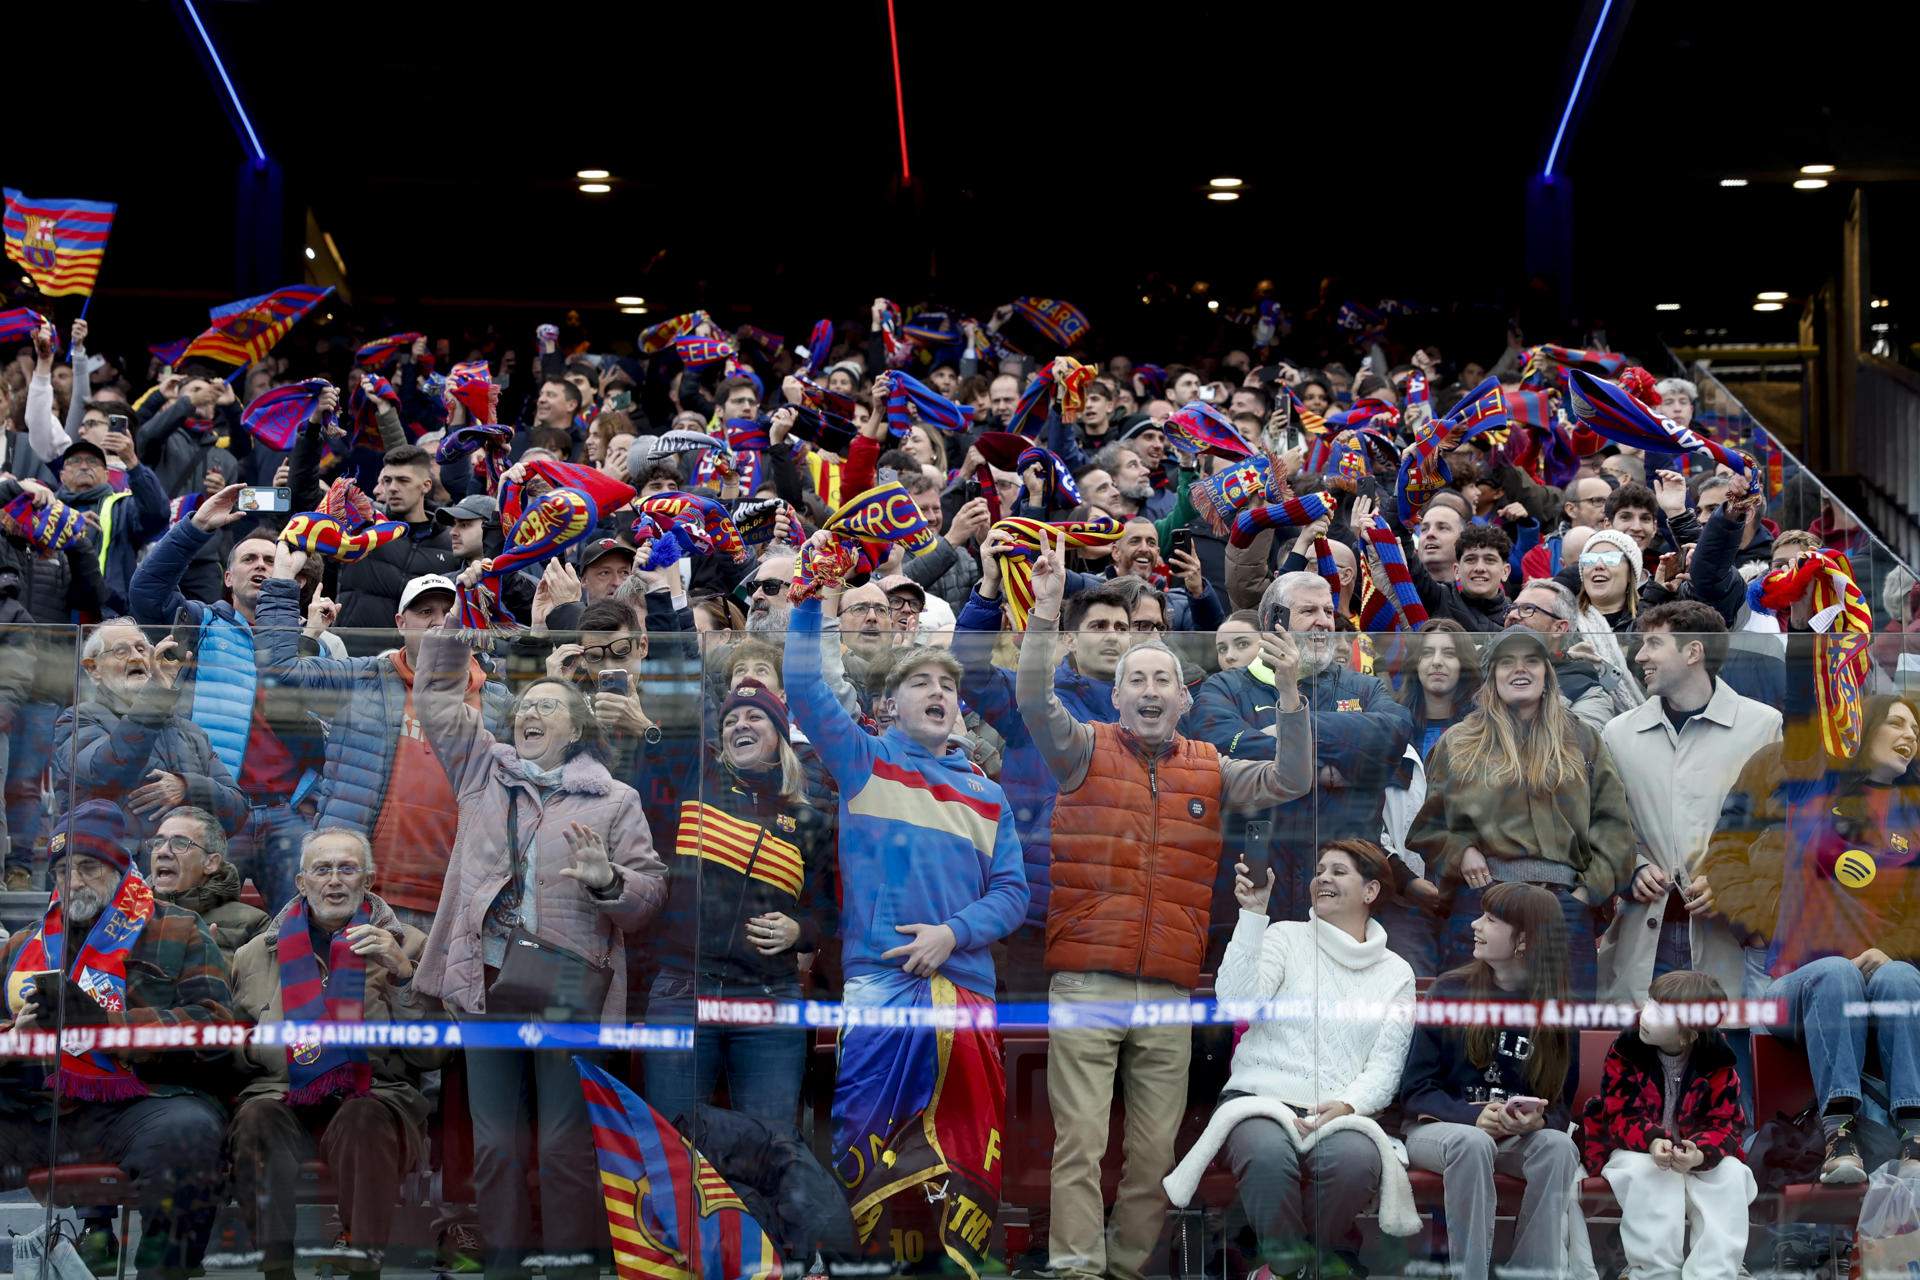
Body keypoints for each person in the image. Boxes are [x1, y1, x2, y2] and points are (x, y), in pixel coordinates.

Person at [1015, 527, 1314, 1280]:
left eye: (1163, 682)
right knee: (1080, 1144)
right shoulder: (1081, 748)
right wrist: (1046, 610)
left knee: (1155, 1154)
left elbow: (1292, 780)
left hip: (1171, 988)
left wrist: (1289, 694)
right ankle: (1078, 1270)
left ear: (1186, 698)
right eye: (1137, 681)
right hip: (1086, 980)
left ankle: (1122, 1270)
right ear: (1116, 696)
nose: (1149, 692)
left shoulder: (1211, 766)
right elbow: (1028, 696)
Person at [783, 537, 1027, 1272]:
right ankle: (871, 1264)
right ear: (892, 703)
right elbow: (803, 689)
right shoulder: (865, 760)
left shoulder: (990, 795)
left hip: (965, 990)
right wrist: (806, 604)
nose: (937, 693)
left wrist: (952, 935)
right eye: (920, 682)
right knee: (868, 1135)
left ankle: (956, 1267)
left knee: (964, 1150)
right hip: (882, 985)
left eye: (946, 686)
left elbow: (1014, 894)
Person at [411, 596, 666, 1280]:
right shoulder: (481, 767)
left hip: (567, 991)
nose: (528, 713)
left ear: (575, 725)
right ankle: (502, 1266)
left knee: (562, 1145)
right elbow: (435, 695)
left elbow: (646, 899)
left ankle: (571, 1266)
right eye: (525, 704)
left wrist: (607, 878)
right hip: (485, 981)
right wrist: (459, 623)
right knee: (494, 1145)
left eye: (547, 706)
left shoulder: (614, 800)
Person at [0, 801, 233, 1280]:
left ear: (120, 867)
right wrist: (13, 1037)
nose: (74, 881)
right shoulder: (24, 943)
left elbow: (214, 1028)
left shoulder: (178, 928)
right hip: (38, 1107)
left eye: (88, 867)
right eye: (62, 870)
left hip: (142, 1103)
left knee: (189, 1134)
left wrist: (112, 1027)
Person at [227, 827, 441, 1280]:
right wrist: (258, 1045)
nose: (335, 881)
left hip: (376, 1089)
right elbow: (231, 1046)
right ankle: (276, 1270)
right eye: (322, 870)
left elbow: (435, 1056)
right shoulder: (254, 953)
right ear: (302, 884)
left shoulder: (410, 945)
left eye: (348, 869)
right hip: (280, 1088)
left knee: (362, 1119)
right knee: (256, 1120)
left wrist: (403, 977)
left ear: (369, 880)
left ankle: (364, 1267)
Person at [258, 548, 510, 927]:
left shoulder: (498, 703)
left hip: (456, 900)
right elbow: (281, 670)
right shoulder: (363, 678)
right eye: (425, 612)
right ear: (399, 622)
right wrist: (279, 589)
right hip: (357, 890)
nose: (438, 623)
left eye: (448, 613)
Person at [1202, 840, 1416, 1278]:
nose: (1323, 878)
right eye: (1320, 870)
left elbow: (1385, 1065)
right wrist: (1253, 916)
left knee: (1355, 1163)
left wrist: (1349, 1105)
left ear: (1371, 891)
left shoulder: (1397, 973)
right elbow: (1237, 1005)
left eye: (1339, 872)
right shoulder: (1283, 936)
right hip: (1259, 1097)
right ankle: (1290, 1270)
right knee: (1265, 1155)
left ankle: (1285, 1274)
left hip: (1337, 1110)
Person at [642, 679, 836, 1133]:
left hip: (768, 996)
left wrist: (799, 932)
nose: (739, 725)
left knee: (772, 1148)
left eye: (754, 717)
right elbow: (679, 686)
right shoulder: (698, 778)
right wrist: (665, 603)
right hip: (682, 990)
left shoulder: (809, 820)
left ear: (780, 736)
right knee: (672, 1143)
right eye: (730, 720)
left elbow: (826, 915)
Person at [1409, 626, 1635, 996]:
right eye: (1507, 662)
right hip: (1481, 904)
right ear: (1491, 675)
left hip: (1562, 905)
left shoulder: (1582, 740)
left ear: (1547, 673)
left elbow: (1614, 829)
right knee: (1473, 1034)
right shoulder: (1459, 741)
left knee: (1561, 1036)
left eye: (1532, 661)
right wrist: (1460, 850)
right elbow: (1428, 828)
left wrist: (1583, 896)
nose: (1520, 670)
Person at [129, 485, 323, 915]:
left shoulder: (317, 644)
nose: (260, 565)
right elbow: (146, 591)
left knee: (299, 935)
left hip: (288, 814)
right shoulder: (200, 625)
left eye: (271, 560)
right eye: (248, 559)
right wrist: (197, 527)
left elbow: (340, 734)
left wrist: (316, 794)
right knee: (193, 927)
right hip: (214, 811)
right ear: (228, 578)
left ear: (290, 577)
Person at [1752, 694, 1920, 1184]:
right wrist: (1817, 623)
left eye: (1916, 728)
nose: (1910, 734)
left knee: (1901, 975)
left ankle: (1914, 1132)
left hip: (1879, 991)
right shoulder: (1816, 793)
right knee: (1837, 971)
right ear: (1860, 728)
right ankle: (1839, 1135)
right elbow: (1810, 701)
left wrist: (1893, 949)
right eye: (1895, 723)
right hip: (1797, 988)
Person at [1186, 570, 1414, 925]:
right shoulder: (1224, 687)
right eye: (1309, 612)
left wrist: (1294, 729)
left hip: (1343, 892)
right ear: (1271, 623)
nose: (1323, 622)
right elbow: (1217, 747)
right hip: (1254, 890)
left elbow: (1394, 734)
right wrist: (1337, 764)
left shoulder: (1363, 688)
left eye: (1327, 611)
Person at [1598, 601, 1781, 1003]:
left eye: (1653, 644)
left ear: (1693, 651)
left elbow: (1778, 831)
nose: (1640, 655)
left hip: (1730, 936)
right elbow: (1605, 823)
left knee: (1726, 1057)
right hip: (1645, 932)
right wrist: (1633, 864)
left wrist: (1732, 882)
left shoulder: (1764, 726)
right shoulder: (1618, 733)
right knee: (1641, 1055)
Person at [1398, 883, 1582, 1280]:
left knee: (1558, 1147)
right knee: (1473, 1142)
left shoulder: (1557, 1009)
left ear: (1525, 940)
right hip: (1443, 1131)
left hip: (1514, 1138)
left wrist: (1537, 1121)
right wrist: (1472, 1116)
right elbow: (1415, 1090)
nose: (1475, 925)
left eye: (1491, 919)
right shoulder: (1451, 991)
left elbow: (1561, 1104)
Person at [1581, 970, 1754, 1280]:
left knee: (1730, 1175)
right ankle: (1654, 1272)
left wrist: (1700, 1153)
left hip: (1694, 1153)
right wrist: (1651, 1140)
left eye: (1660, 1011)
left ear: (1688, 1034)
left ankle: (1714, 1272)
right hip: (1634, 1148)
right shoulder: (1626, 1049)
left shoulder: (1717, 1061)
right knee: (1649, 1172)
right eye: (1650, 1001)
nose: (1646, 1013)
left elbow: (1726, 1123)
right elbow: (1619, 1115)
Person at [54, 617, 247, 842]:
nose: (136, 657)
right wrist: (156, 697)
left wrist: (187, 787)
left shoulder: (190, 731)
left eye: (141, 648)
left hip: (183, 868)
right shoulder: (77, 719)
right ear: (93, 668)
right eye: (120, 651)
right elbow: (104, 770)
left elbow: (238, 810)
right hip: (116, 867)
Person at [292, 429, 458, 656]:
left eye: (403, 480)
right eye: (387, 480)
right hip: (354, 658)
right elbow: (305, 494)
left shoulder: (450, 542)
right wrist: (312, 429)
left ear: (426, 485)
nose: (392, 488)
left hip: (419, 664)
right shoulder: (362, 523)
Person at [146, 804, 269, 962]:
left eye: (180, 843)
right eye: (157, 842)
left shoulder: (253, 923)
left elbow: (257, 984)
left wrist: (207, 966)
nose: (162, 852)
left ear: (211, 863)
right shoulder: (126, 914)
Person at [1397, 619, 1481, 762]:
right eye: (1427, 652)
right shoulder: (1395, 723)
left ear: (1464, 664)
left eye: (1449, 653)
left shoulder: (1482, 726)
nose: (1436, 661)